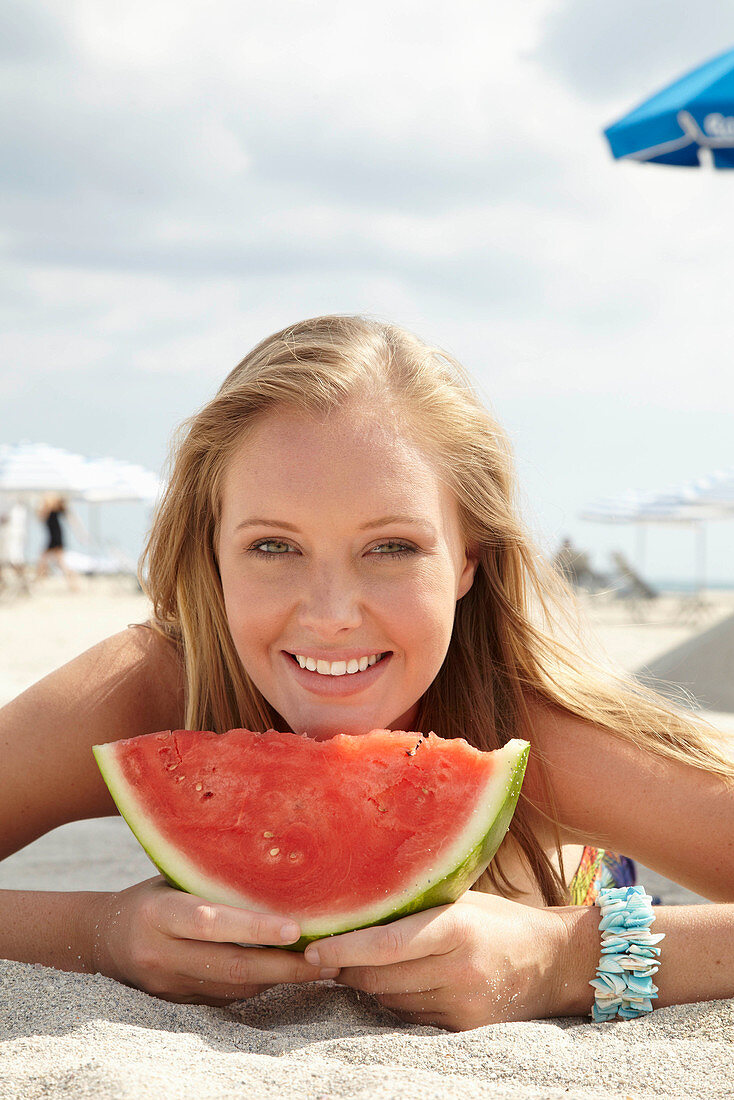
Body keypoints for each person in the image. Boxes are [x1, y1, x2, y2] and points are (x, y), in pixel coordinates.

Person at [0, 315, 732, 1030]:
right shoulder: (145, 689)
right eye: (273, 548)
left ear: (468, 559)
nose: (330, 615)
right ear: (213, 551)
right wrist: (98, 931)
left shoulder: (531, 735)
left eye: (390, 548)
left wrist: (565, 959)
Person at [35, 494, 80, 591]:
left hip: (55, 537)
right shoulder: (51, 508)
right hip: (53, 537)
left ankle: (37, 583)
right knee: (51, 562)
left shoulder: (54, 508)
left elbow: (41, 517)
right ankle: (38, 583)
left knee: (52, 562)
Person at [0, 500, 30, 595]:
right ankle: (22, 585)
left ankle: (23, 585)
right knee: (14, 560)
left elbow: (5, 518)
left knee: (15, 560)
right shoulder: (20, 505)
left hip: (11, 537)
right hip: (12, 536)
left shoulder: (14, 505)